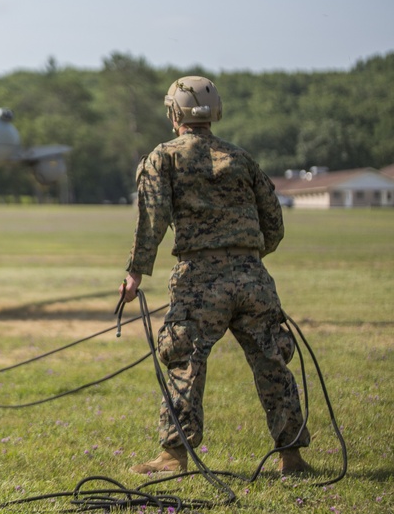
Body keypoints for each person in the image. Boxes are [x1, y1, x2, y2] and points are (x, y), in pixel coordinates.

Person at [119, 76, 311, 476]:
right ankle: (291, 457)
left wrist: (135, 273)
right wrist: (247, 257)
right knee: (273, 362)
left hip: (199, 280)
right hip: (253, 277)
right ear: (215, 112)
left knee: (184, 361)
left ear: (174, 114)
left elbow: (151, 220)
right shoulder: (241, 159)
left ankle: (174, 456)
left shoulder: (163, 157)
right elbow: (273, 223)